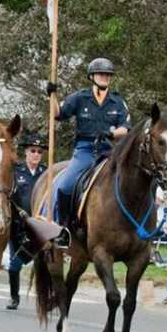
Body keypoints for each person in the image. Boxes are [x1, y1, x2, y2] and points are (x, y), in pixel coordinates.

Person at [47, 57, 130, 247]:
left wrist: (110, 132)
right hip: (85, 150)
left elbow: (126, 128)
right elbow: (58, 114)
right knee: (65, 187)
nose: (105, 77)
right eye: (101, 74)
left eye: (108, 75)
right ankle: (64, 229)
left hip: (109, 151)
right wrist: (51, 95)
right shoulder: (80, 97)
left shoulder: (118, 101)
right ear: (92, 76)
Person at [6, 132, 47, 310]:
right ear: (26, 152)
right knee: (14, 267)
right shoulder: (16, 171)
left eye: (39, 151)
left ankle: (44, 298)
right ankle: (14, 297)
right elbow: (8, 197)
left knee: (42, 264)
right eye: (33, 150)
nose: (36, 154)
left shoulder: (46, 173)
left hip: (38, 228)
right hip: (17, 226)